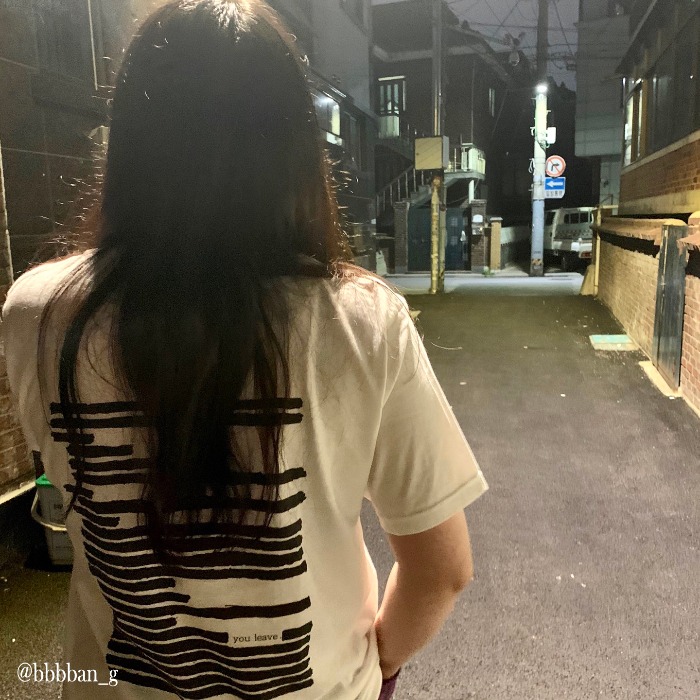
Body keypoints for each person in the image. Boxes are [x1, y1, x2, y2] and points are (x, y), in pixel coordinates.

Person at [1, 1, 488, 698]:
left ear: (129, 144)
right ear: (295, 151)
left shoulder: (35, 313)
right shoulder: (361, 322)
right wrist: (377, 665)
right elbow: (443, 569)